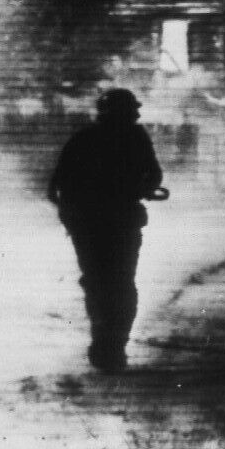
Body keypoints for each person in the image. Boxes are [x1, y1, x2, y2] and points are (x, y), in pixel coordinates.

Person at [47, 88, 165, 373]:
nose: (136, 115)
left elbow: (55, 187)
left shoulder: (84, 138)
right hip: (119, 222)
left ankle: (106, 342)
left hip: (89, 226)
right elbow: (154, 175)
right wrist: (142, 190)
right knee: (120, 283)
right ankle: (112, 345)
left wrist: (71, 216)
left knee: (99, 282)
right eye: (131, 111)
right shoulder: (136, 138)